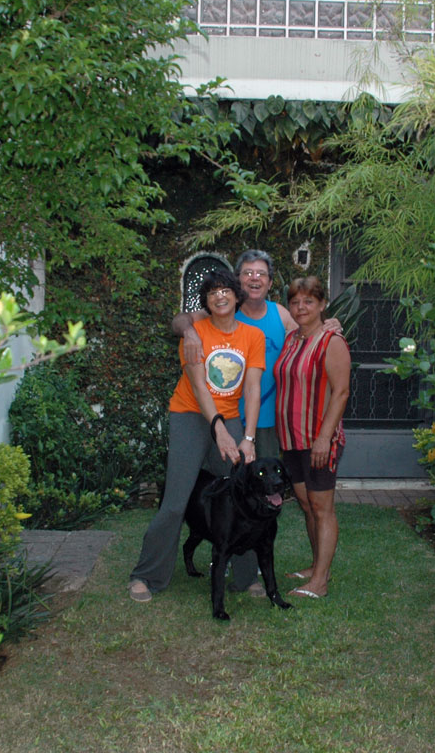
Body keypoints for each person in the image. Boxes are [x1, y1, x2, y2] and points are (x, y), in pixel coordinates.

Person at [170, 250, 339, 593]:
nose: (254, 278)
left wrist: (331, 323)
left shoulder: (280, 314)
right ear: (237, 279)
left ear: (270, 281)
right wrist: (187, 329)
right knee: (220, 491)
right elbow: (180, 320)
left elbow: (311, 329)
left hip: (264, 421)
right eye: (247, 272)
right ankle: (226, 552)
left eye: (260, 273)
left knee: (257, 494)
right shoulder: (221, 306)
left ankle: (248, 561)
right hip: (222, 418)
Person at [128, 269, 264, 602]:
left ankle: (245, 577)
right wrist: (218, 430)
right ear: (206, 301)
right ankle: (146, 575)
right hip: (190, 416)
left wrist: (247, 438)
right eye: (213, 292)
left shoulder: (252, 337)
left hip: (231, 419)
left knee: (243, 495)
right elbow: (200, 387)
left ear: (236, 296)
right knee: (175, 502)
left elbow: (253, 388)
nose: (220, 296)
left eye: (226, 290)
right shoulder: (194, 335)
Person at [274, 276, 350, 600]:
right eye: (295, 302)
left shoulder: (331, 341)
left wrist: (324, 438)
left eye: (308, 301)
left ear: (322, 305)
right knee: (306, 504)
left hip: (319, 439)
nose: (300, 307)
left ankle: (320, 581)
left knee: (322, 508)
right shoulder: (292, 339)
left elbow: (341, 392)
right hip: (291, 439)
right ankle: (318, 566)